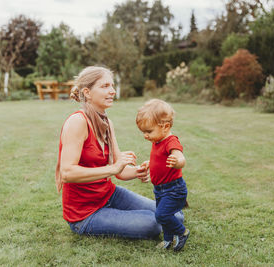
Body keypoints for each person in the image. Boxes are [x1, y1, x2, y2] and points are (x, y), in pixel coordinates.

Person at [55, 66, 183, 239]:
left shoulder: (107, 122)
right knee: (153, 224)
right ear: (88, 92)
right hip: (85, 214)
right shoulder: (77, 122)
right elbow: (67, 173)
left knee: (175, 215)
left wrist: (138, 171)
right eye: (105, 86)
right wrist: (113, 169)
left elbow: (120, 171)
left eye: (112, 86)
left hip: (109, 194)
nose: (112, 91)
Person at [136, 99, 190, 251]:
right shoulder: (157, 140)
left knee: (161, 215)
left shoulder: (171, 141)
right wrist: (150, 162)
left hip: (173, 189)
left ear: (165, 127)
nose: (145, 135)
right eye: (143, 132)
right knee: (164, 216)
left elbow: (181, 158)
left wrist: (176, 161)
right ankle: (168, 240)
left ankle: (182, 232)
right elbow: (159, 159)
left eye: (148, 131)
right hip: (160, 189)